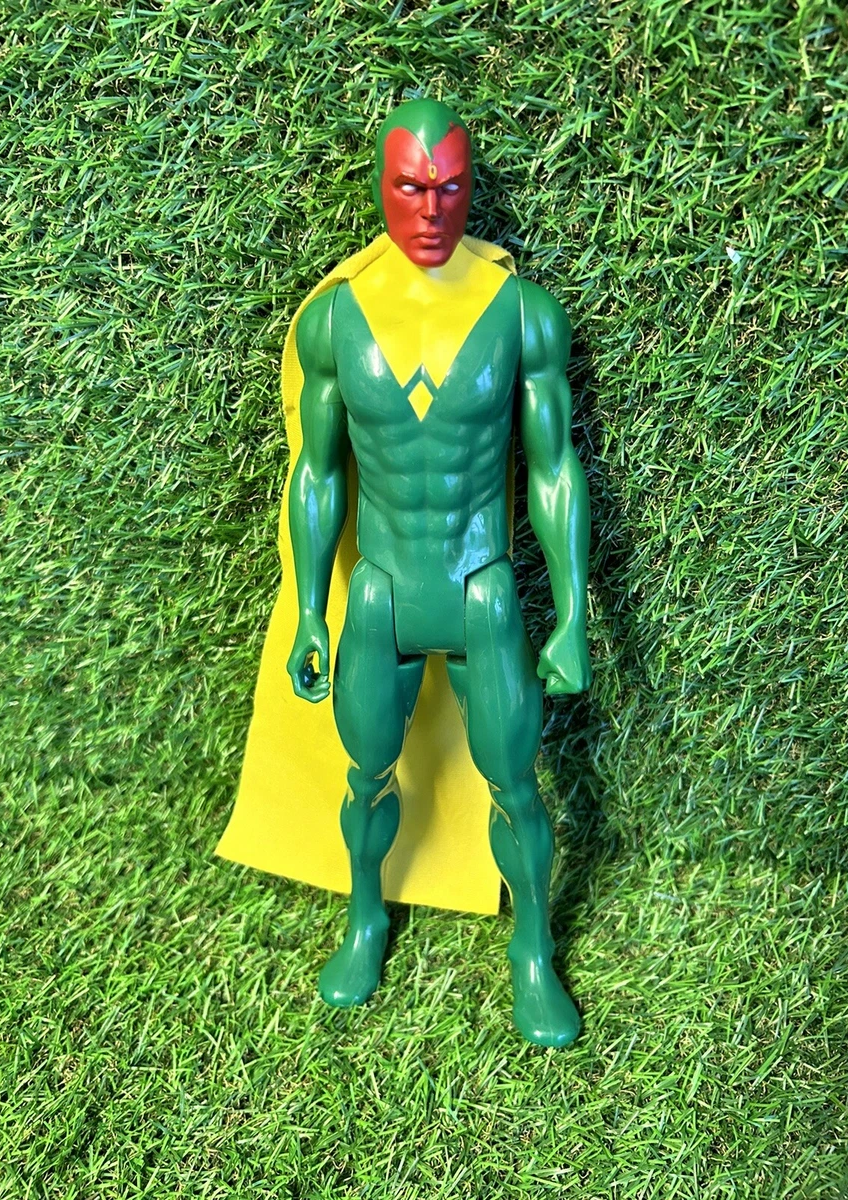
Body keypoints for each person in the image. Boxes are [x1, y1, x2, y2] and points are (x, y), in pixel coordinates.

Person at [284, 98, 591, 1047]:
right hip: (380, 591)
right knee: (363, 774)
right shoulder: (334, 322)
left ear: (470, 191)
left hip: (481, 592)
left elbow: (554, 469)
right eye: (411, 187)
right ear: (381, 187)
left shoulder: (523, 317)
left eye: (450, 188)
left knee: (517, 783)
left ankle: (533, 948)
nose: (430, 209)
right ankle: (365, 917)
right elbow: (316, 472)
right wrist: (310, 610)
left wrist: (573, 613)